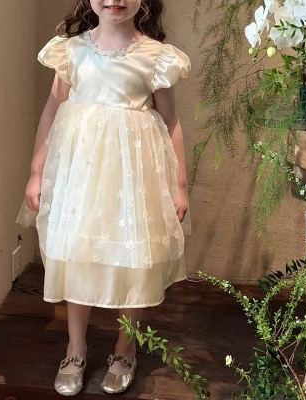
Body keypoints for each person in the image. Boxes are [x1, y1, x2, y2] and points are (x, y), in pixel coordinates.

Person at [23, 0, 191, 396]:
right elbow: (51, 111)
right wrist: (36, 172)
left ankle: (125, 347)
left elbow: (171, 122)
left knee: (132, 257)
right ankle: (75, 348)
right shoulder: (71, 50)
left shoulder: (156, 57)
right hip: (79, 178)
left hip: (133, 180)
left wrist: (179, 184)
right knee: (77, 254)